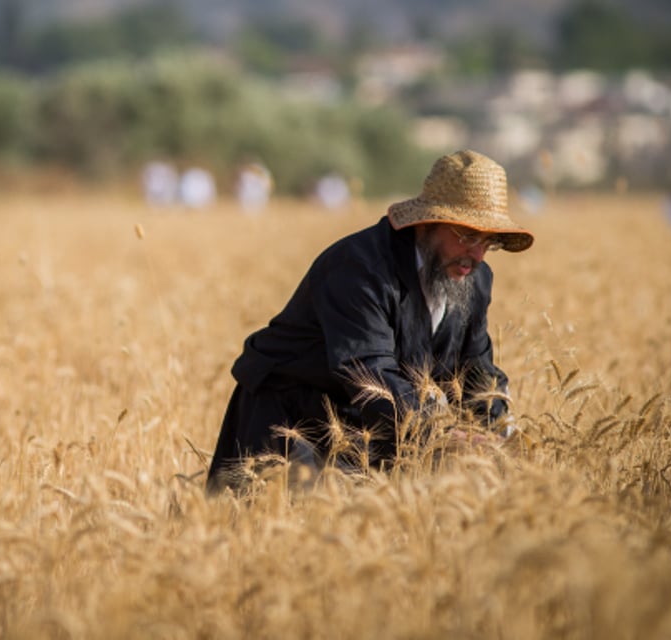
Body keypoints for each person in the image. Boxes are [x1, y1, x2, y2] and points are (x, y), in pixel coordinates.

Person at [207, 149, 533, 492]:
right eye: (466, 235)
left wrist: (500, 435)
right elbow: (367, 371)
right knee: (283, 528)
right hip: (289, 418)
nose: (476, 255)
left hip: (370, 426)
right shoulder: (360, 269)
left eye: (488, 242)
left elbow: (476, 367)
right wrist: (441, 435)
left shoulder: (475, 280)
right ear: (427, 222)